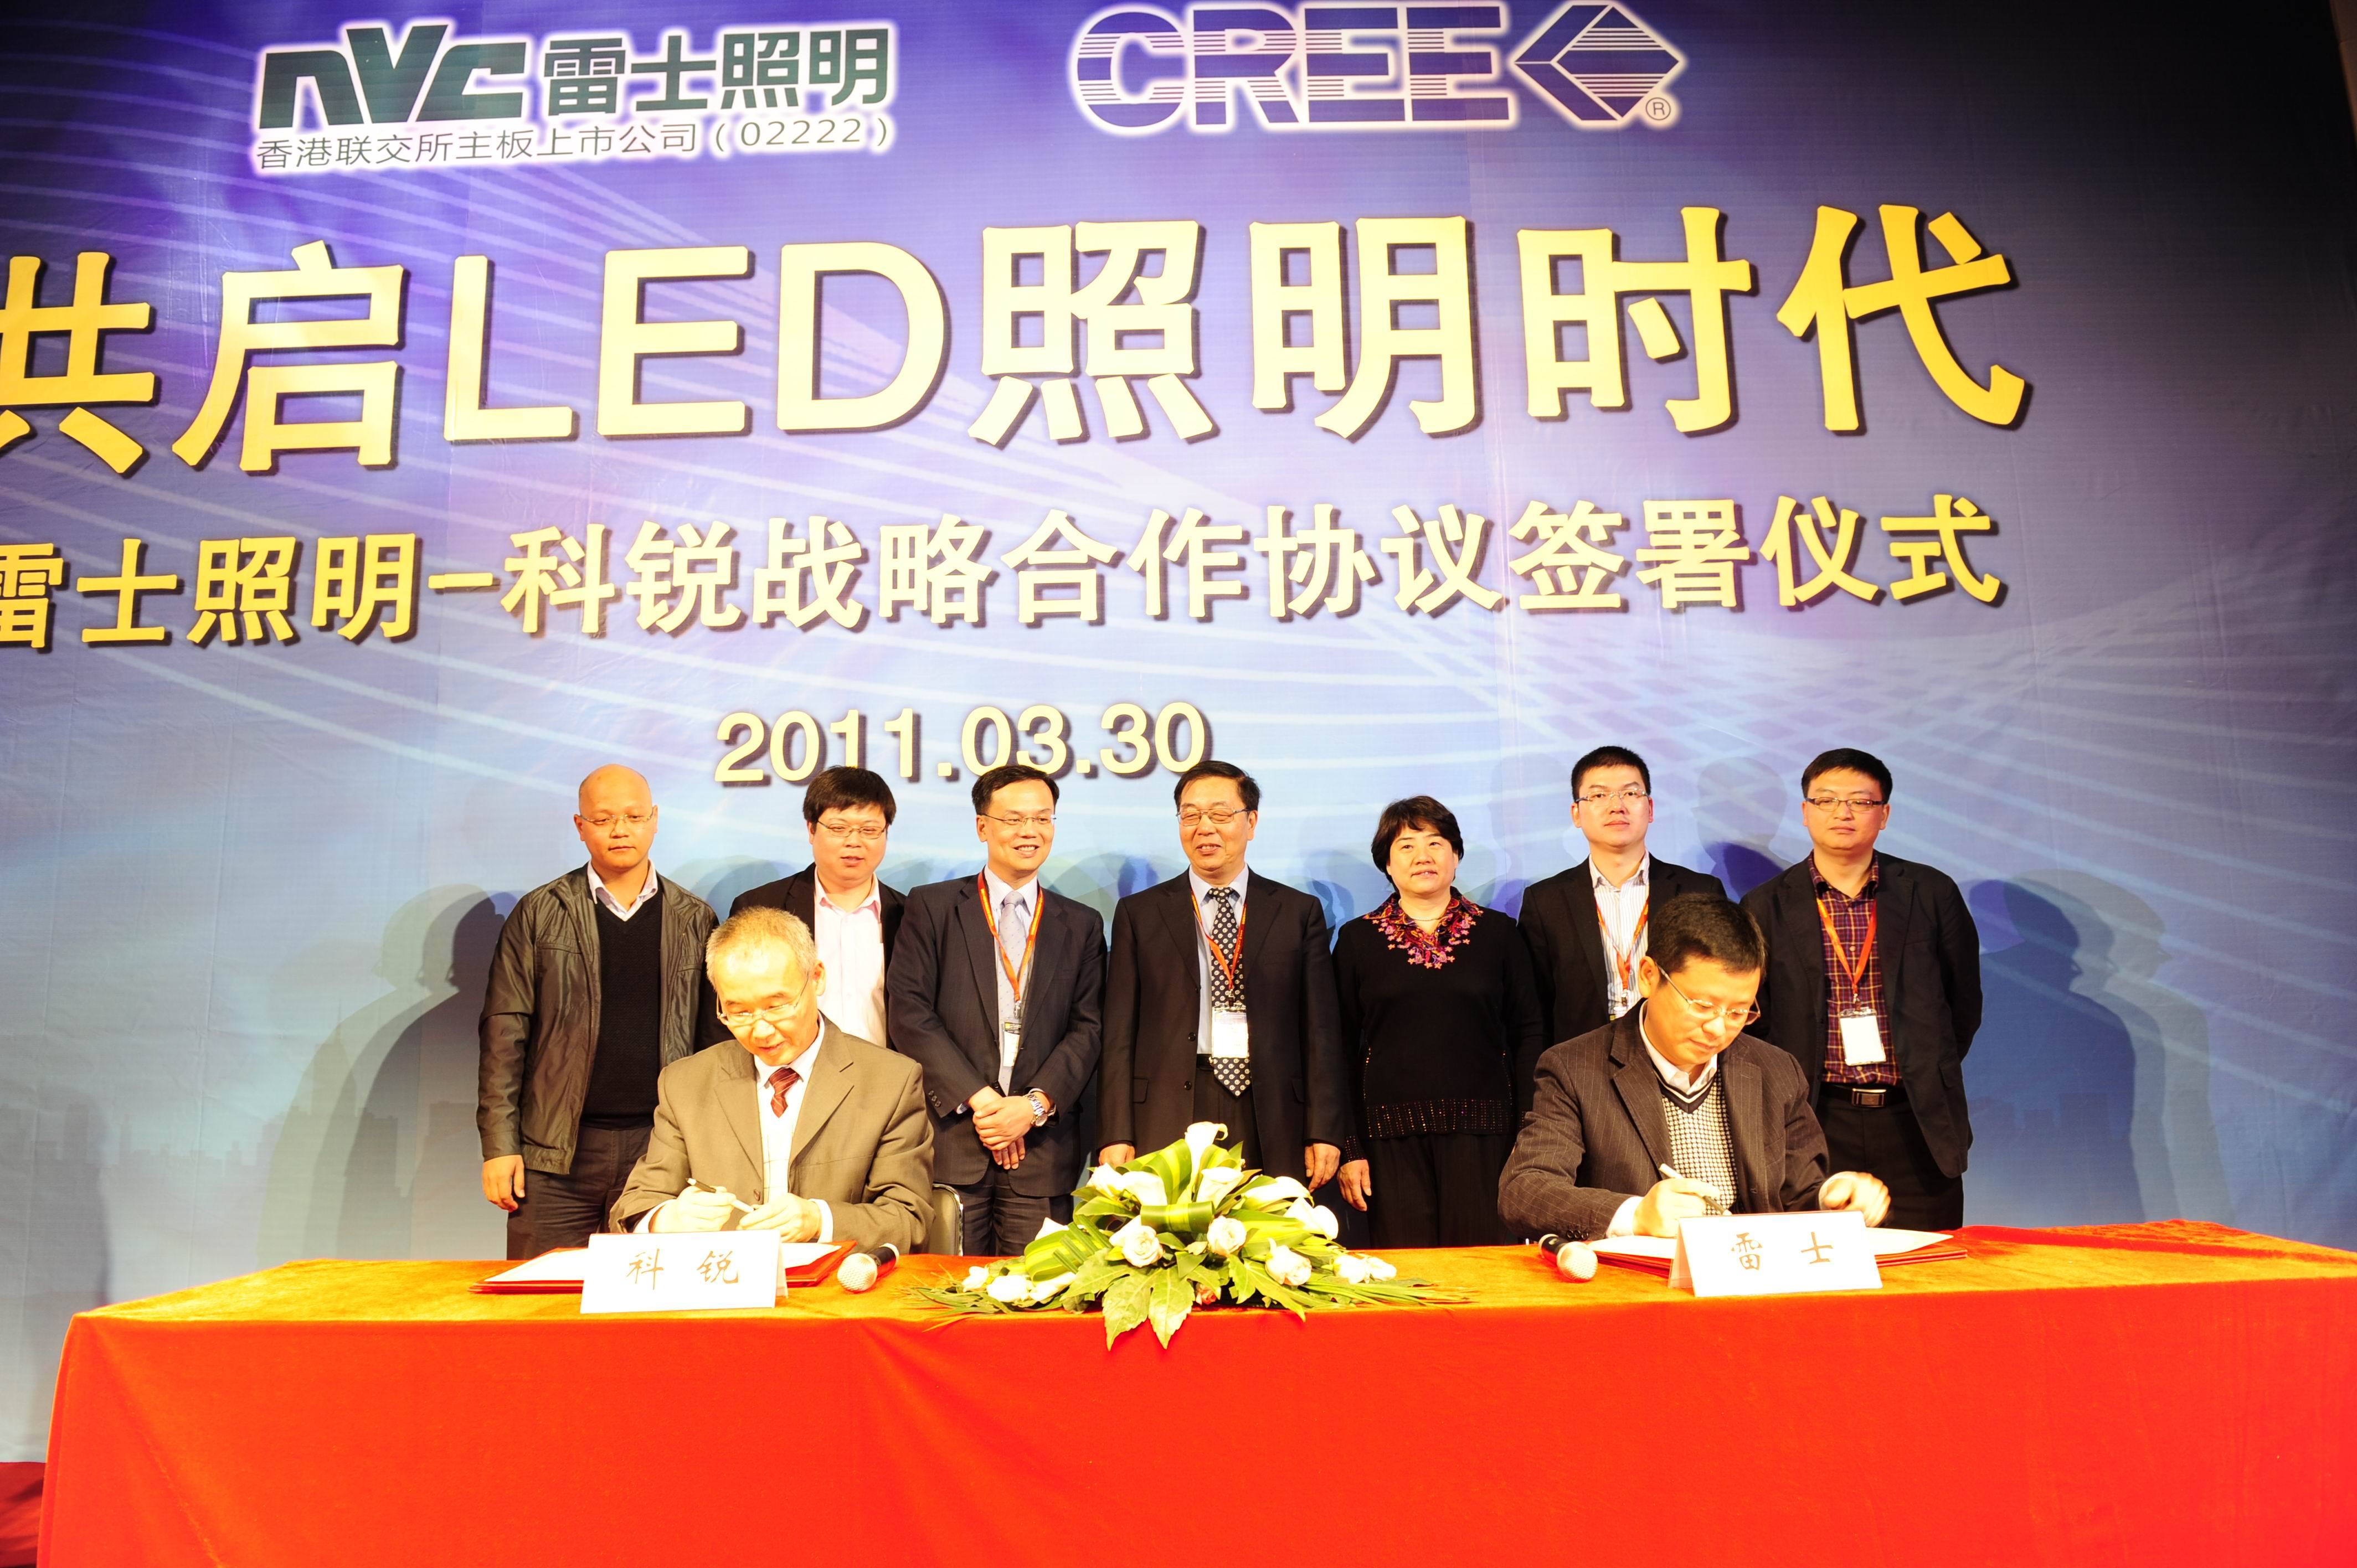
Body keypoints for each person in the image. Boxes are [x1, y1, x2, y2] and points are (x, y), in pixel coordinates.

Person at [1499, 893, 1891, 1240]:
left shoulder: (1775, 1070)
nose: (1719, 1029)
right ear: (1649, 977)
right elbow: (1525, 1190)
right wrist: (1636, 1215)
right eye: (1703, 1006)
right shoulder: (1575, 1069)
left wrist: (1833, 1198)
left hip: (1753, 1277)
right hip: (1639, 1285)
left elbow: (1799, 1192)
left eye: (1738, 1012)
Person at [477, 765, 717, 1257]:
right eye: (603, 819)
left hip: (662, 1150)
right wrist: (500, 1146)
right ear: (580, 826)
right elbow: (504, 1035)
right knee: (547, 1297)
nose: (620, 830)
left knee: (654, 1296)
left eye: (634, 816)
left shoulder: (695, 919)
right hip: (555, 1155)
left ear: (654, 820)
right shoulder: (541, 913)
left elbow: (714, 1045)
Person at [1741, 749, 1982, 1230]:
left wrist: (1924, 1066)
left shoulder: (1931, 893)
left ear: (1884, 814)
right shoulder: (1764, 906)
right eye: (1827, 800)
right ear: (1806, 811)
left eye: (1860, 801)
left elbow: (1962, 1005)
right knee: (1824, 1262)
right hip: (1814, 1117)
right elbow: (1754, 1019)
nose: (1843, 812)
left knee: (1931, 1261)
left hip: (1915, 1119)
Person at [610, 907, 932, 1253]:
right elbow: (634, 1207)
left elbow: (908, 1219)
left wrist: (819, 1220)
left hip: (836, 1280)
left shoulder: (890, 1082)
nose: (761, 1031)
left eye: (777, 1006)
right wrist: (666, 1219)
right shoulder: (686, 1083)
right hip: (722, 1277)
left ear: (817, 978)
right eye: (739, 1012)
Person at [886, 764, 1106, 1254]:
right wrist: (985, 1103)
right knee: (944, 1293)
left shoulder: (1081, 924)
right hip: (953, 1141)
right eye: (1014, 819)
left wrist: (1030, 1108)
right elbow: (910, 1011)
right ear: (982, 826)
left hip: (1041, 1152)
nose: (1030, 831)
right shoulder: (934, 907)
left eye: (1042, 818)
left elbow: (1088, 1028)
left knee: (1038, 1293)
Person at [1097, 760, 1347, 1188]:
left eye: (1220, 814)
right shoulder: (1140, 914)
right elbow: (1119, 1031)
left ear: (1251, 822)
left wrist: (1324, 1128)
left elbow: (1320, 1030)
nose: (1204, 828)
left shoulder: (1297, 912)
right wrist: (1116, 1131)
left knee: (1271, 1225)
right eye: (1191, 816)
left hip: (1271, 1108)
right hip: (1169, 1105)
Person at [1331, 796, 1543, 1247]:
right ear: (1387, 864)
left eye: (1435, 843)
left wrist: (1529, 1133)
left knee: (1484, 1271)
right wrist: (1350, 1147)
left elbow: (1529, 1034)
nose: (1423, 856)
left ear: (1456, 855)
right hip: (1387, 1142)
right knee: (1409, 1276)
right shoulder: (1356, 940)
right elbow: (1339, 1050)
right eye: (1406, 846)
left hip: (1488, 1138)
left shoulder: (1499, 934)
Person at [1518, 745, 1726, 1043]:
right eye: (1599, 795)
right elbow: (1534, 1010)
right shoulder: (1545, 902)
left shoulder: (1700, 891)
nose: (1617, 806)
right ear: (1576, 814)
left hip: (1677, 1052)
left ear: (1650, 809)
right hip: (1580, 1060)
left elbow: (1719, 988)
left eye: (1630, 793)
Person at [722, 766, 904, 1049]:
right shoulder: (761, 907)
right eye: (839, 828)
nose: (854, 842)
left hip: (889, 1072)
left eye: (869, 830)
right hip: (790, 1070)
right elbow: (733, 1007)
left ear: (886, 832)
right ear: (811, 829)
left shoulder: (909, 915)